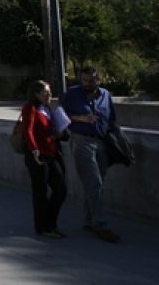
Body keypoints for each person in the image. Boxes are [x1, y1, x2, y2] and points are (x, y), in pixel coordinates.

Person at [61, 67, 120, 243]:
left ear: (99, 80)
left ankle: (89, 220)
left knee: (98, 182)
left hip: (101, 141)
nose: (87, 84)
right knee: (93, 182)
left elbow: (112, 119)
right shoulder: (73, 94)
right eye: (85, 80)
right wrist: (81, 118)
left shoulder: (105, 95)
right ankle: (100, 225)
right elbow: (61, 115)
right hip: (82, 140)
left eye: (92, 80)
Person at [21, 80, 68, 238]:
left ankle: (51, 223)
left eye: (50, 92)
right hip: (38, 156)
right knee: (40, 193)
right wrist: (34, 150)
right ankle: (44, 227)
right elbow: (28, 131)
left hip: (52, 153)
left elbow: (49, 131)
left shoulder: (47, 108)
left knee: (61, 190)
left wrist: (59, 133)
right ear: (36, 94)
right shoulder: (30, 108)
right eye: (45, 93)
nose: (50, 95)